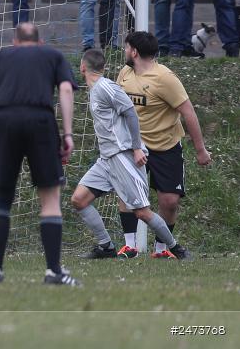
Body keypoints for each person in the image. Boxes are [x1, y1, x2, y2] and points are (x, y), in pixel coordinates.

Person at [0, 23, 79, 286]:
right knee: (49, 197)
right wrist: (67, 133)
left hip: (5, 121)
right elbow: (66, 90)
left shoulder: (1, 57)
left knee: (2, 195)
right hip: (41, 121)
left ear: (15, 41)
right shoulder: (53, 55)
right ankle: (53, 271)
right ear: (40, 41)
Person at [71, 49, 192, 260]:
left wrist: (136, 147)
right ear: (103, 67)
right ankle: (106, 247)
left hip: (122, 156)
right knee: (79, 200)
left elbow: (130, 112)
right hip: (106, 159)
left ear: (82, 67)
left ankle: (176, 248)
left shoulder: (105, 87)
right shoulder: (97, 89)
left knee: (141, 212)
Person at [117, 31, 210, 258]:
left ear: (135, 52)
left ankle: (161, 250)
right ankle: (130, 246)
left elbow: (189, 113)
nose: (124, 51)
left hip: (165, 146)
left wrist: (200, 150)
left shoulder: (165, 78)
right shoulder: (125, 73)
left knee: (169, 201)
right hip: (133, 146)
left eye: (127, 47)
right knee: (127, 194)